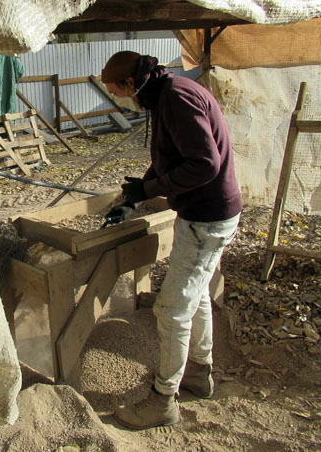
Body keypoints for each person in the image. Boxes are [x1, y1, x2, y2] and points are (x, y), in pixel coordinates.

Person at [101, 51, 242, 430]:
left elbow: (204, 164)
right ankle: (199, 373)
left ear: (132, 83)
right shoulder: (167, 93)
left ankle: (163, 401)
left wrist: (152, 187)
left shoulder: (177, 98)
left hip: (206, 218)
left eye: (119, 92)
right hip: (203, 214)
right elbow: (172, 156)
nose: (121, 99)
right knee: (195, 299)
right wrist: (141, 190)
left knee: (171, 310)